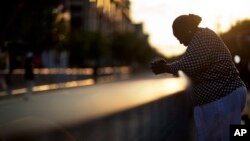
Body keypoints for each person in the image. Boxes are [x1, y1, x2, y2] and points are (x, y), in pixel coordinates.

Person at [150, 14, 247, 141]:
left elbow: (188, 65)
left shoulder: (203, 37)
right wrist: (168, 67)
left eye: (179, 36)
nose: (180, 42)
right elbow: (187, 63)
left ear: (188, 30)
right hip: (221, 98)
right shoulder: (198, 40)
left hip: (224, 97)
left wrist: (166, 68)